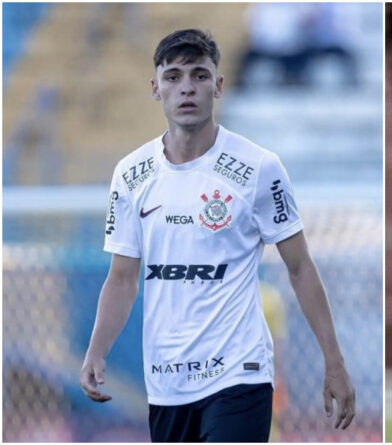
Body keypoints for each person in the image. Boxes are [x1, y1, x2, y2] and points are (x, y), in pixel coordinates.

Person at [79, 29, 355, 442]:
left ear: (219, 86)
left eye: (199, 75)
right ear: (155, 89)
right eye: (173, 77)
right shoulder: (131, 175)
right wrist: (96, 349)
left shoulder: (259, 168)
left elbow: (299, 267)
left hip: (238, 372)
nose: (186, 87)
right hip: (167, 379)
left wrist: (333, 360)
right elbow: (121, 277)